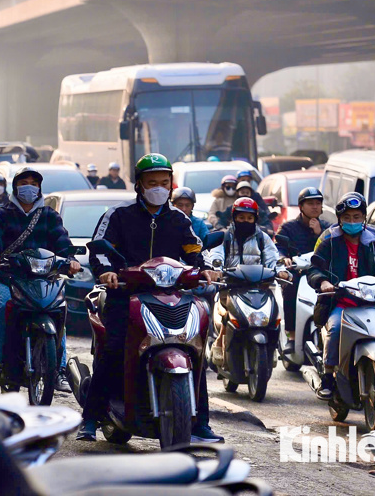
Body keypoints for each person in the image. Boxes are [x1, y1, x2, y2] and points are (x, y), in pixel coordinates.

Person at [77, 153, 220, 443]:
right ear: (139, 185)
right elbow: (100, 249)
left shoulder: (179, 219)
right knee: (114, 349)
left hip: (171, 296)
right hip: (125, 294)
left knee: (194, 349)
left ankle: (200, 422)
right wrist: (107, 272)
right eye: (151, 182)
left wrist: (206, 270)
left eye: (164, 182)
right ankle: (90, 418)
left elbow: (195, 250)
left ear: (171, 184)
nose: (158, 187)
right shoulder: (118, 215)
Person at [0, 166, 81, 390]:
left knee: (58, 312)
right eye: (24, 182)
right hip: (10, 276)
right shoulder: (2, 212)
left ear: (39, 188)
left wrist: (70, 260)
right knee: (3, 306)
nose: (29, 187)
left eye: (34, 183)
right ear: (15, 187)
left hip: (44, 279)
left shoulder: (49, 215)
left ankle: (61, 370)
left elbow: (61, 240)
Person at [306, 192, 375, 400]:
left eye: (357, 217)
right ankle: (328, 375)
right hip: (341, 302)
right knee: (336, 328)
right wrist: (323, 282)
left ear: (364, 218)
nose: (352, 222)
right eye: (347, 218)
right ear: (340, 219)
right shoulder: (329, 240)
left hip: (374, 302)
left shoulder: (374, 241)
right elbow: (314, 268)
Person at [206, 197, 290, 365]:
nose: (245, 221)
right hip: (231, 285)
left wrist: (281, 271)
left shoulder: (263, 238)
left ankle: (273, 346)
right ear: (234, 218)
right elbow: (216, 255)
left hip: (259, 285)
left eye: (249, 218)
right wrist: (216, 270)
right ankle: (220, 341)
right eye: (241, 218)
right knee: (226, 314)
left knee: (273, 316)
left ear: (255, 219)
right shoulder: (225, 237)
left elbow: (273, 257)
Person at [275, 187, 330, 351]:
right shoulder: (288, 228)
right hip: (297, 273)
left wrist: (319, 234)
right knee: (290, 288)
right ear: (301, 206)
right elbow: (278, 247)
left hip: (321, 272)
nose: (315, 207)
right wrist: (284, 258)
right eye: (310, 203)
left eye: (318, 203)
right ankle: (292, 336)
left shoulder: (329, 228)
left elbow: (333, 249)